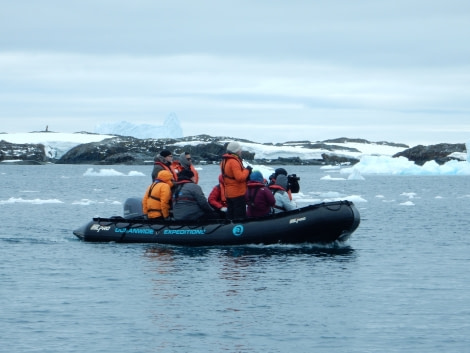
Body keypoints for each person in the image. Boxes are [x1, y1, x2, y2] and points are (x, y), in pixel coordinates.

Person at [220, 141, 252, 219]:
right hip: (238, 194)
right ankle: (240, 230)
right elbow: (240, 177)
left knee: (230, 215)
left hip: (229, 193)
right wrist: (247, 170)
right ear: (236, 151)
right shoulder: (233, 161)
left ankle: (229, 229)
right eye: (239, 149)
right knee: (239, 217)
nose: (240, 151)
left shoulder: (224, 161)